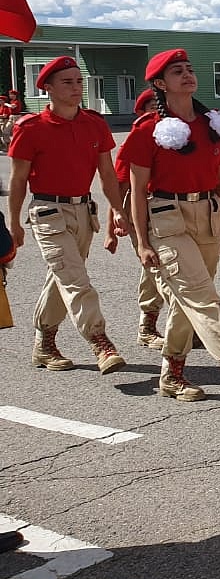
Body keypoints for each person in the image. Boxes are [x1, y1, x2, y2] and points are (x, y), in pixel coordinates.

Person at [121, 49, 220, 403]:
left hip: (209, 215)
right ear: (160, 84)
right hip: (167, 218)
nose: (188, 75)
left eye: (190, 69)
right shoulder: (149, 129)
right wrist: (142, 242)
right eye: (178, 72)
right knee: (201, 297)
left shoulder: (214, 123)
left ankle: (172, 375)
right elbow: (136, 188)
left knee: (185, 301)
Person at [7, 56, 128, 374]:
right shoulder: (31, 128)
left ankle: (44, 344)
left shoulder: (94, 123)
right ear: (47, 88)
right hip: (48, 212)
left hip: (83, 212)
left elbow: (107, 173)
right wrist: (15, 223)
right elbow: (18, 179)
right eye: (67, 82)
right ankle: (100, 341)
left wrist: (118, 209)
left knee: (62, 278)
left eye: (79, 81)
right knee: (76, 279)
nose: (76, 87)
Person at [116, 89, 167, 350]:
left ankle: (185, 324)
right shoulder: (136, 140)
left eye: (159, 105)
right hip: (142, 212)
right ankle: (148, 327)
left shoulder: (176, 135)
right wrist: (114, 222)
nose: (156, 110)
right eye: (150, 106)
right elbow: (121, 186)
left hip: (172, 212)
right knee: (156, 268)